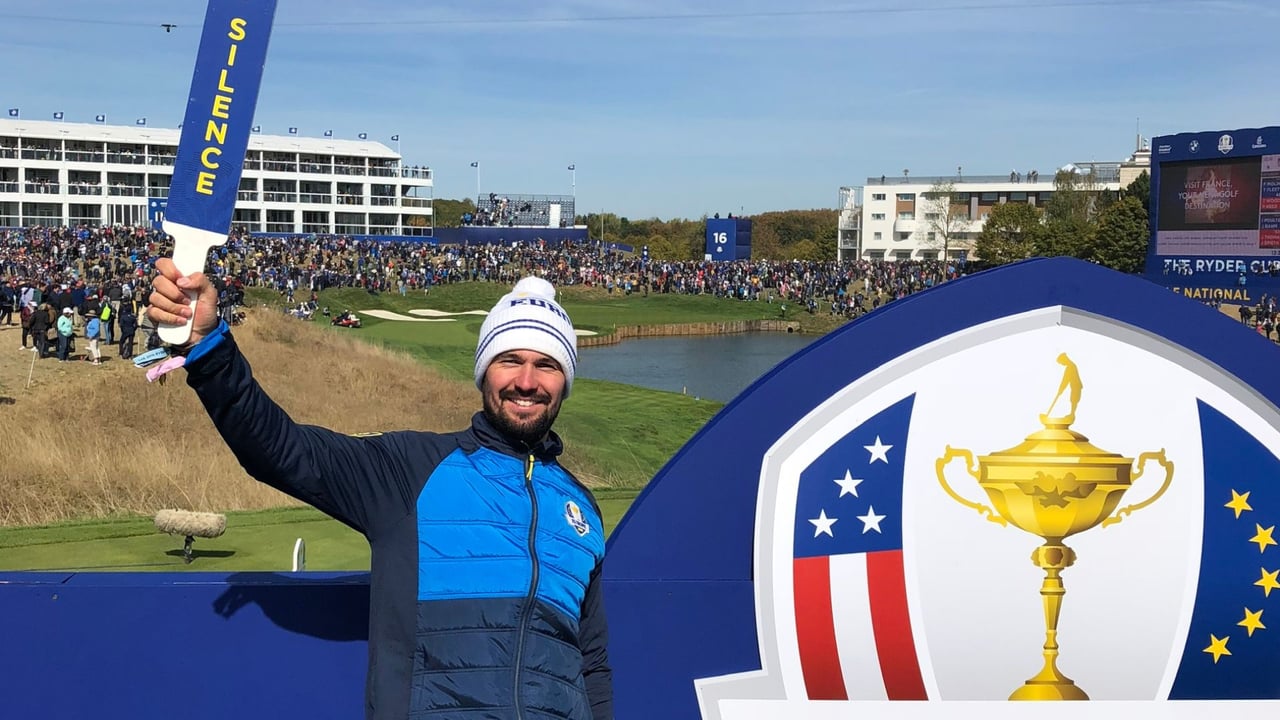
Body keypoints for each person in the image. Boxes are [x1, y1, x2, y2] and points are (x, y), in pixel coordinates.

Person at [147, 260, 613, 720]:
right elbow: (279, 450)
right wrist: (209, 348)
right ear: (485, 371)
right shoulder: (410, 470)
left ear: (565, 381)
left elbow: (591, 666)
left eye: (546, 365)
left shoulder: (581, 511)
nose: (527, 381)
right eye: (510, 360)